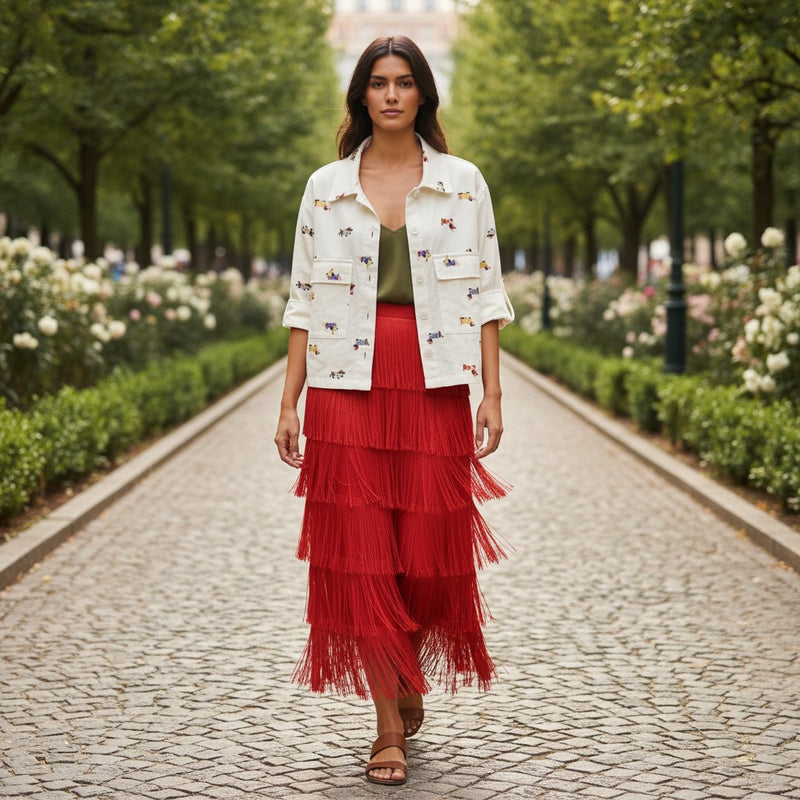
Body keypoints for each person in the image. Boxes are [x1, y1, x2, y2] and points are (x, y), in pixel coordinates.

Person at [274, 34, 514, 787]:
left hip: (433, 379)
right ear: (360, 95)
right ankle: (386, 728)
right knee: (361, 551)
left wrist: (492, 394)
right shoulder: (325, 188)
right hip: (346, 387)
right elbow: (303, 301)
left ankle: (408, 671)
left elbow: (488, 293)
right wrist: (290, 401)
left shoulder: (462, 183)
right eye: (377, 82)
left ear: (422, 96)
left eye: (404, 82)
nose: (389, 95)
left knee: (427, 550)